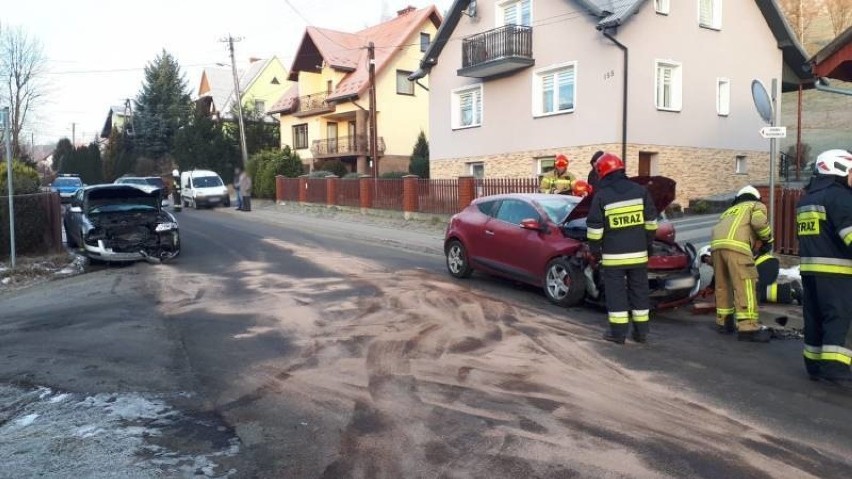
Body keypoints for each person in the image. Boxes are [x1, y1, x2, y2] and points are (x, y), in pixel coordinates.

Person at [586, 153, 658, 344]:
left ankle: (618, 334)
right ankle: (641, 332)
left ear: (602, 173)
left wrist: (595, 251)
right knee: (639, 291)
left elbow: (595, 230)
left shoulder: (602, 196)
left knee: (616, 293)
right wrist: (647, 244)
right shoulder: (640, 191)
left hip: (613, 257)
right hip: (639, 255)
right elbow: (651, 223)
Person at [795, 149, 852, 384]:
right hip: (838, 272)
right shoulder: (840, 197)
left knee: (814, 318)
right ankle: (835, 368)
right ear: (838, 168)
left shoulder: (807, 199)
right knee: (839, 318)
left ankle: (815, 365)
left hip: (810, 270)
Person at [709, 185, 774, 342]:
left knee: (723, 285)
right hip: (737, 248)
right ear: (756, 197)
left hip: (717, 248)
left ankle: (724, 323)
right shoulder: (756, 205)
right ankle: (748, 328)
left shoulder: (729, 211)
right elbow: (759, 223)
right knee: (745, 286)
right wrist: (768, 239)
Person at [697, 246, 802, 305]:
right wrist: (711, 287)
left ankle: (794, 293)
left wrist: (712, 287)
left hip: (764, 265)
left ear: (710, 254)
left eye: (706, 260)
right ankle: (792, 289)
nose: (707, 264)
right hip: (765, 265)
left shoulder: (721, 258)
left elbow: (719, 276)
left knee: (753, 294)